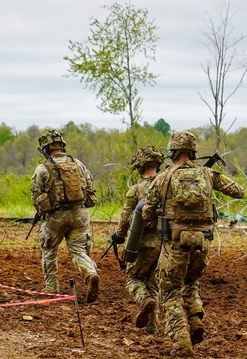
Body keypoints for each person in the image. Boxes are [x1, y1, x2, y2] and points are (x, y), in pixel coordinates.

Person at [141, 131, 245, 357]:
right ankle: (195, 317)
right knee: (191, 280)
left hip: (175, 243)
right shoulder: (208, 174)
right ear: (193, 151)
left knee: (168, 292)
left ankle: (181, 342)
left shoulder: (163, 178)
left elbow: (147, 211)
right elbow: (239, 191)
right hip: (202, 243)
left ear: (172, 152)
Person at [30, 129, 99, 302]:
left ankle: (52, 288)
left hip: (56, 217)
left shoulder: (42, 168)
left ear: (45, 149)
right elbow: (89, 185)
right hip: (80, 214)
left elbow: (36, 195)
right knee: (78, 251)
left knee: (49, 250)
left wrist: (43, 212)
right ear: (62, 145)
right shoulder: (78, 163)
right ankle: (90, 274)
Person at [110, 145, 164, 334]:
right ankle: (152, 327)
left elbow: (125, 220)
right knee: (153, 284)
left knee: (133, 279)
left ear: (139, 167)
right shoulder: (167, 185)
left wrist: (118, 236)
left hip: (142, 245)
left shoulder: (135, 190)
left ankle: (144, 301)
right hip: (164, 245)